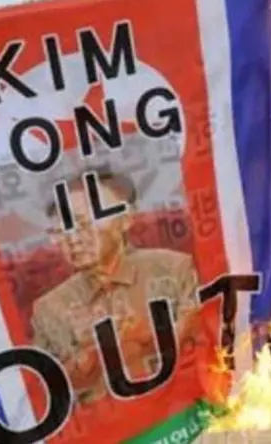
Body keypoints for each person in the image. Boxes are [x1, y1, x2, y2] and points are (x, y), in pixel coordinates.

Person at [30, 163, 200, 405]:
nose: (73, 239)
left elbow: (205, 346)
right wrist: (86, 360)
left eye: (84, 224)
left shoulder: (173, 270)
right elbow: (42, 392)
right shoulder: (49, 308)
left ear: (125, 220)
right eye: (61, 230)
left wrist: (146, 338)